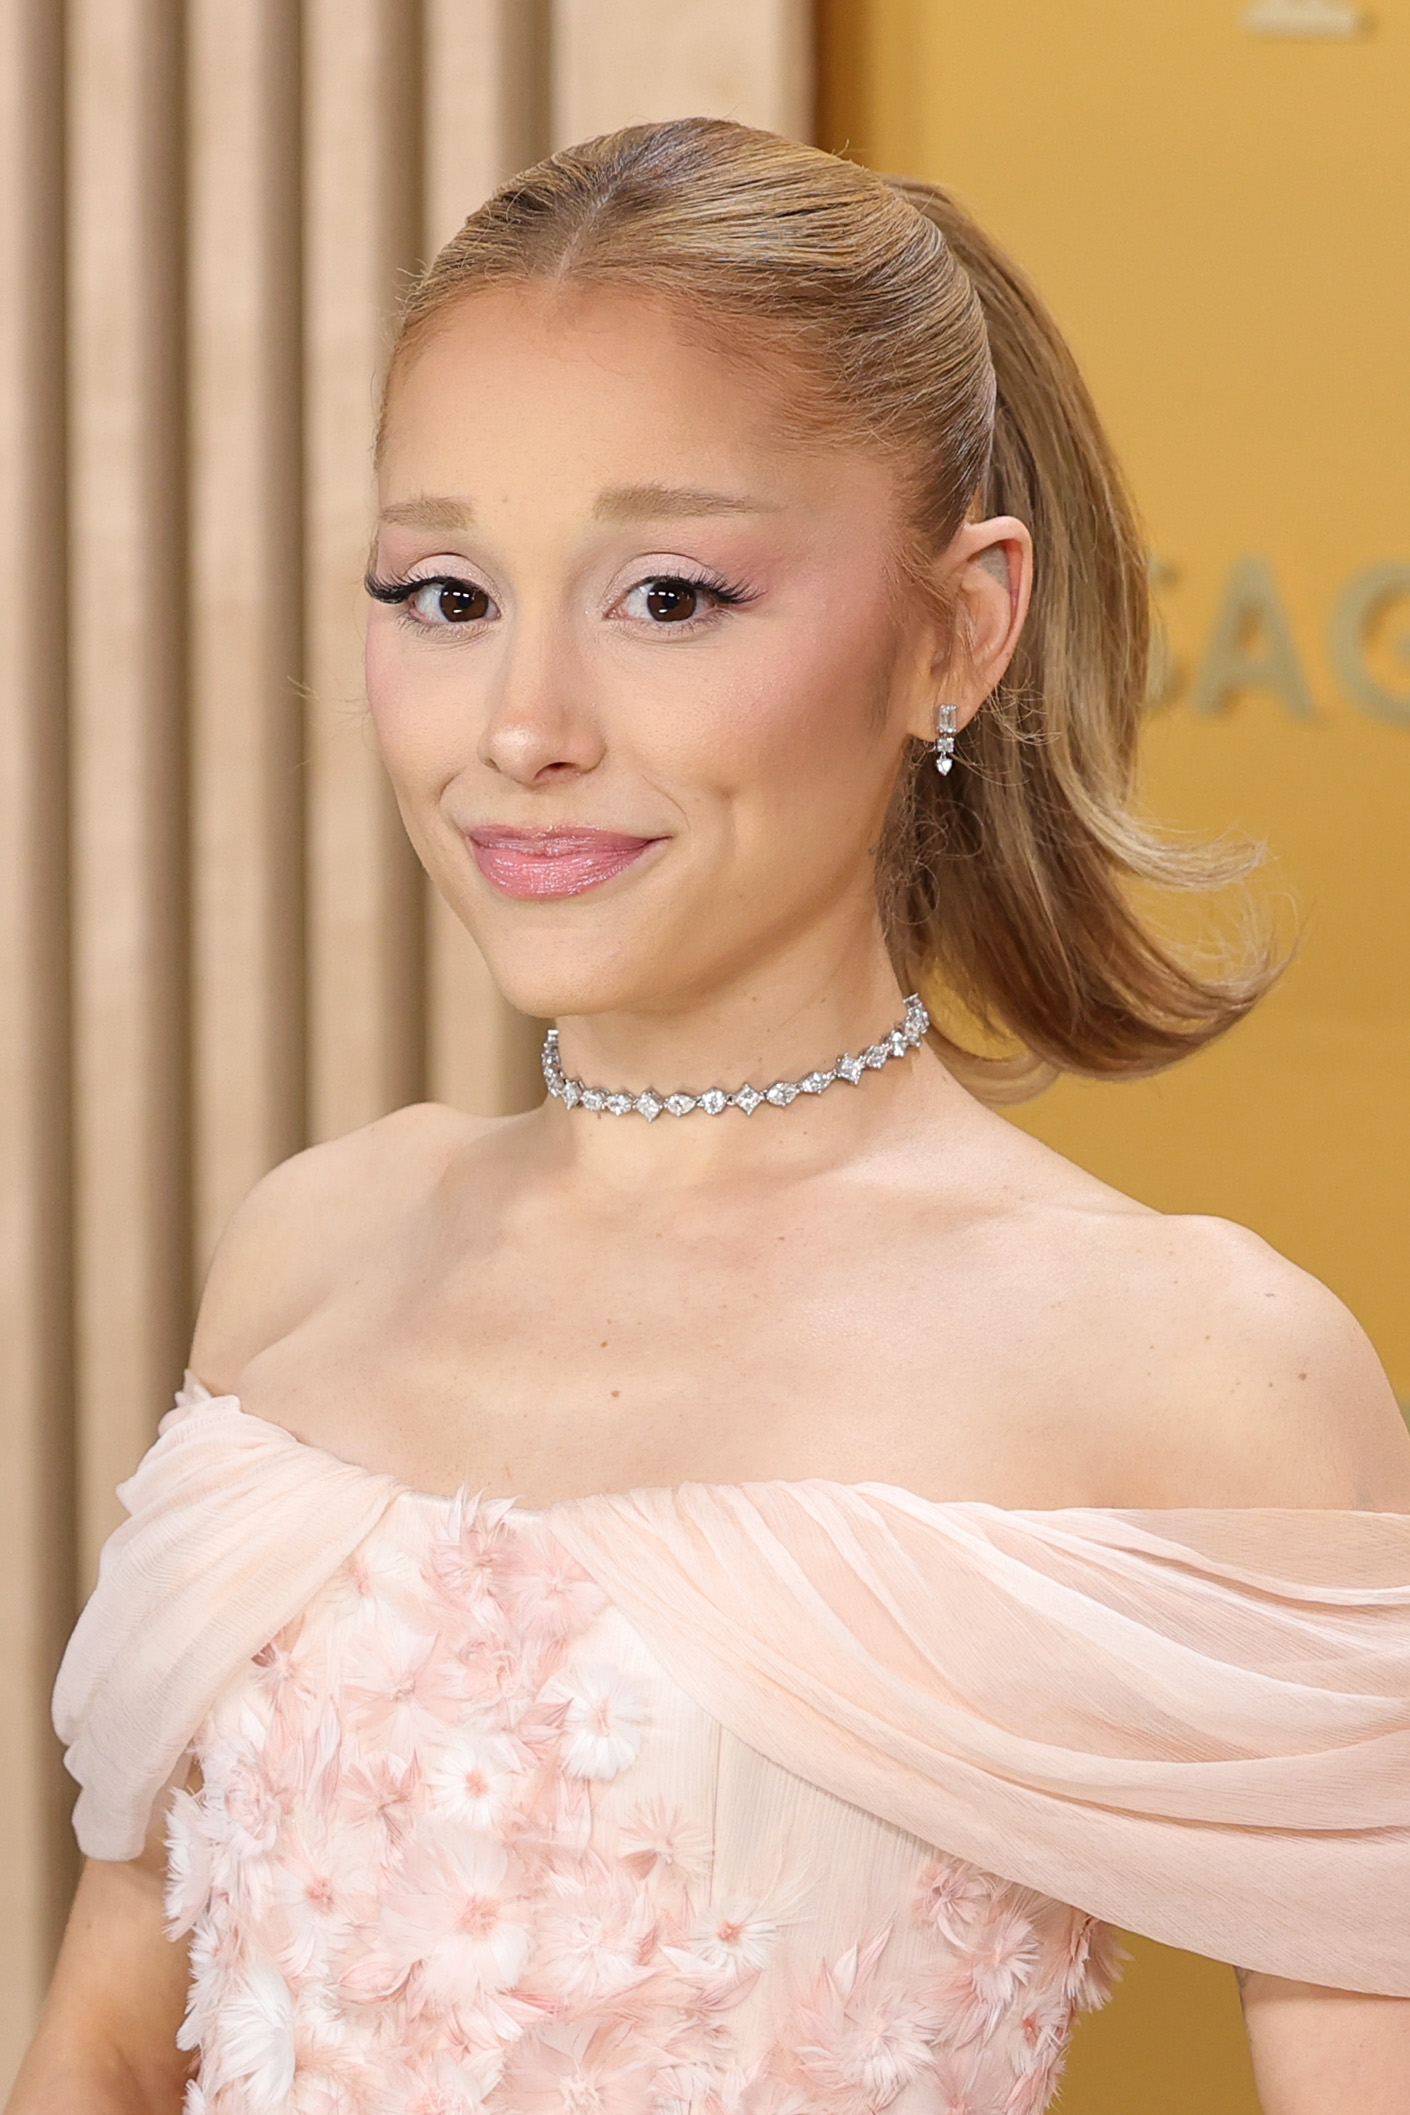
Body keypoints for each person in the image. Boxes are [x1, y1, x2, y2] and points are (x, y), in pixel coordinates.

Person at [12, 118, 1410, 2115]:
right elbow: (100, 2049)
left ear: (959, 625)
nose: (523, 724)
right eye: (440, 590)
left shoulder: (1201, 1364)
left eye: (669, 594)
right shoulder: (316, 1246)